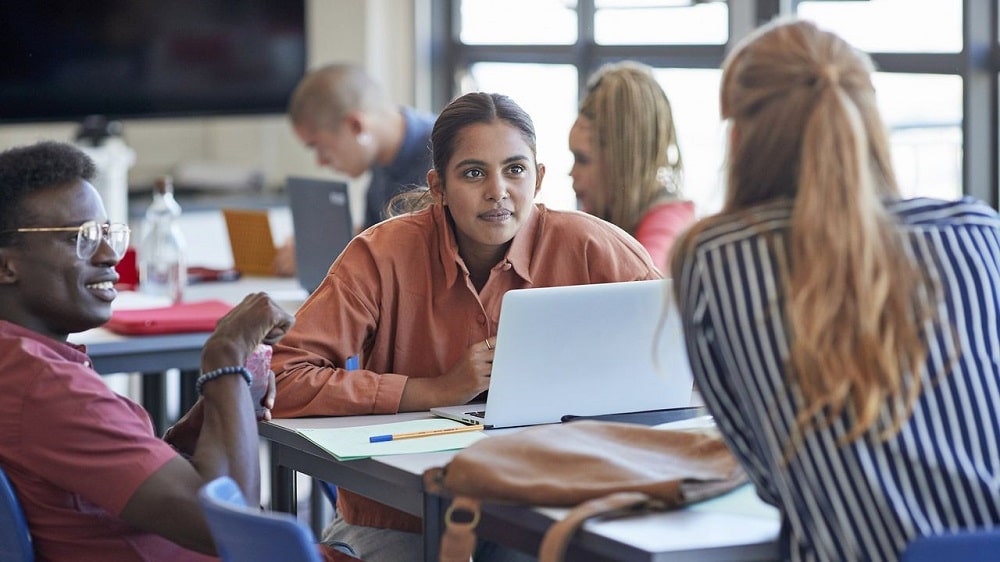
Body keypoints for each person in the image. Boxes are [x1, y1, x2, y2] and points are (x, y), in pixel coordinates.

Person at [270, 92, 662, 561]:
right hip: (404, 514)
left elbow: (680, 361)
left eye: (515, 170)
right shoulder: (381, 255)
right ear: (438, 187)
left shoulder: (595, 249)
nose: (498, 190)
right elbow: (281, 378)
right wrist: (431, 390)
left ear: (537, 179)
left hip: (547, 507)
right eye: (474, 173)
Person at [670, 19, 1000, 561]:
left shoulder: (717, 255)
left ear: (738, 137)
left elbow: (773, 478)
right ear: (871, 121)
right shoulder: (977, 230)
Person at [0, 141, 359, 562]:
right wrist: (225, 358)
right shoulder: (49, 389)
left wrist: (219, 406)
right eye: (80, 237)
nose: (109, 254)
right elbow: (233, 526)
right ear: (6, 266)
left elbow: (135, 476)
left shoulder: (20, 365)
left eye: (106, 233)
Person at [274, 62, 436, 276]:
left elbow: (426, 259)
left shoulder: (443, 153)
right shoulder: (380, 159)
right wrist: (318, 247)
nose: (320, 162)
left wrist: (333, 257)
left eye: (320, 147)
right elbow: (379, 236)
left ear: (356, 126)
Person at [569, 60, 694, 268]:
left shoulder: (669, 224)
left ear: (619, 162)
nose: (572, 173)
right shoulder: (597, 215)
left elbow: (644, 285)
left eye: (583, 160)